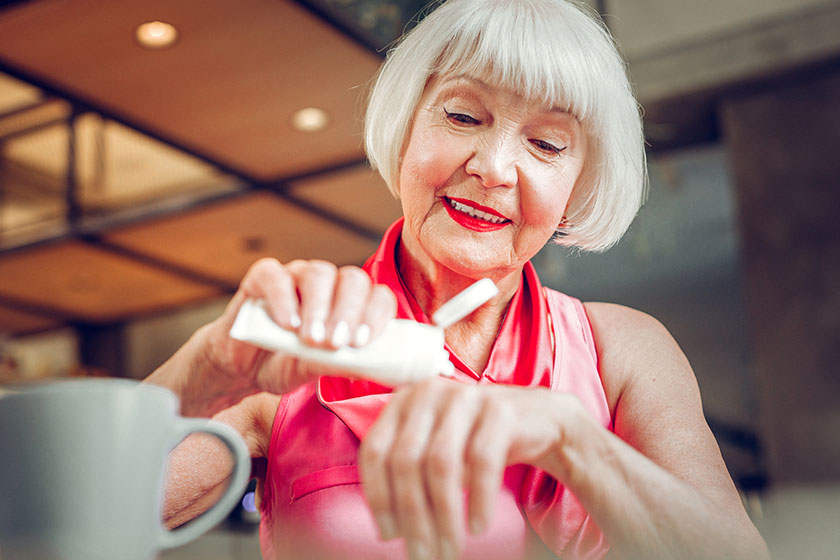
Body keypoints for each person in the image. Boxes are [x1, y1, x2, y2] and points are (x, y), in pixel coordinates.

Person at [145, 0, 770, 558]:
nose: (494, 168)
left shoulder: (624, 351)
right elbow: (58, 527)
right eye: (464, 116)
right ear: (408, 126)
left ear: (580, 180)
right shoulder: (294, 347)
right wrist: (204, 373)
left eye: (547, 145)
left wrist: (570, 438)